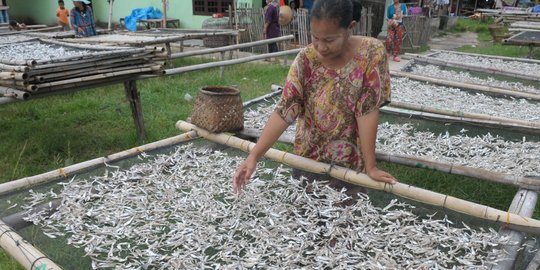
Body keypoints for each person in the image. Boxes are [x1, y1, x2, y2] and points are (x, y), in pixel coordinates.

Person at [233, 0, 396, 195]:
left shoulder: (372, 53)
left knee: (347, 219)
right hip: (307, 160)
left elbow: (367, 110)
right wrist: (254, 156)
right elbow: (285, 110)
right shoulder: (306, 60)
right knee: (305, 216)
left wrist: (370, 166)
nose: (320, 47)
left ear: (350, 27)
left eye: (329, 40)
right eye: (315, 37)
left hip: (351, 164)